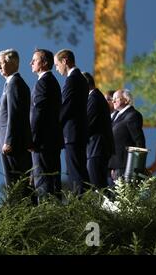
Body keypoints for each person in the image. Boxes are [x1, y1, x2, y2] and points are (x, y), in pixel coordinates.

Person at [0, 49, 33, 187]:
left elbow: (15, 115)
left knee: (17, 184)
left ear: (13, 63)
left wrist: (9, 141)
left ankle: (23, 209)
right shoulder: (10, 84)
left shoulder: (15, 84)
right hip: (8, 143)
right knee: (14, 184)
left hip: (13, 144)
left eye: (2, 63)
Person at [29, 49, 63, 201]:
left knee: (43, 181)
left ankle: (47, 215)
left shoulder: (43, 83)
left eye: (34, 60)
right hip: (51, 141)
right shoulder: (52, 81)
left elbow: (38, 113)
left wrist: (32, 139)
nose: (31, 63)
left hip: (42, 142)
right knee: (52, 181)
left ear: (44, 63)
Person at [54, 49, 90, 195]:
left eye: (57, 64)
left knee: (75, 172)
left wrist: (54, 125)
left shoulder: (72, 79)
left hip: (73, 133)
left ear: (65, 61)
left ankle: (81, 204)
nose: (57, 68)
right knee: (78, 169)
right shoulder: (80, 78)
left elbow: (66, 106)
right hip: (78, 132)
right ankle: (84, 200)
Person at [82, 72, 114, 190]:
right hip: (96, 149)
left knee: (98, 187)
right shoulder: (95, 97)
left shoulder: (94, 98)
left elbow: (88, 124)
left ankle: (108, 208)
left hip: (97, 150)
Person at [108, 89, 146, 181]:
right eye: (112, 99)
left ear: (126, 100)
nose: (113, 101)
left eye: (116, 98)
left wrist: (137, 167)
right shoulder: (116, 115)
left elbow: (139, 141)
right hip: (115, 166)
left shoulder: (133, 115)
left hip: (126, 167)